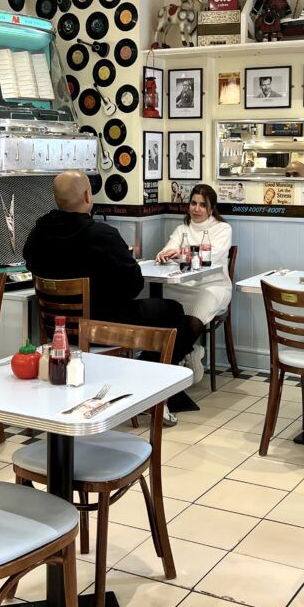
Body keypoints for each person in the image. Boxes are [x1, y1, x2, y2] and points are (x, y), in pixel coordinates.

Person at [23, 171, 200, 425]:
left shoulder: (39, 232)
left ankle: (142, 383)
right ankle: (147, 386)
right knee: (173, 311)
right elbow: (134, 284)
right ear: (88, 195)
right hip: (103, 327)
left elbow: (31, 262)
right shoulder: (102, 235)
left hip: (57, 330)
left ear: (55, 198)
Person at [155, 184, 233, 384]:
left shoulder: (222, 229)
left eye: (202, 205)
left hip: (213, 286)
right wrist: (165, 255)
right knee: (163, 310)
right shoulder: (181, 229)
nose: (197, 209)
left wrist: (180, 254)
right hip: (181, 285)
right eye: (193, 203)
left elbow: (211, 257)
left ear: (211, 208)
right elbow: (168, 250)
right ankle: (185, 352)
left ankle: (173, 359)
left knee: (194, 317)